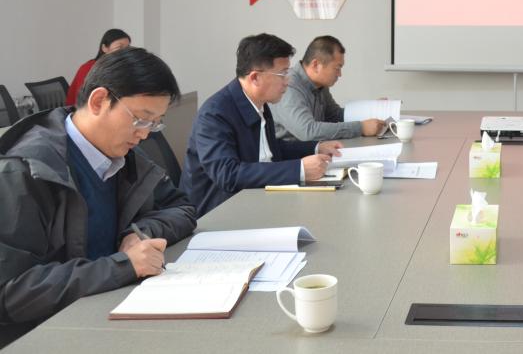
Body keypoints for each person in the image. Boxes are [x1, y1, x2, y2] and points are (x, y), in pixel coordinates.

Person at [0, 48, 196, 346]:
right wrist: (124, 265)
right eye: (141, 119)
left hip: (111, 308)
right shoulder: (25, 172)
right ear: (98, 101)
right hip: (49, 335)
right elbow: (11, 292)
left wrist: (138, 233)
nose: (145, 134)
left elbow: (181, 207)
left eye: (155, 123)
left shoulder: (124, 157)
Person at [181, 33, 344, 217]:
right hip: (219, 214)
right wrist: (299, 169)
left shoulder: (260, 103)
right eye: (283, 73)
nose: (288, 81)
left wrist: (316, 148)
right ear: (255, 78)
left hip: (255, 200)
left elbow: (271, 149)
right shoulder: (214, 114)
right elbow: (228, 174)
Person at [274, 36, 386, 141]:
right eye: (337, 68)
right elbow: (308, 131)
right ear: (316, 65)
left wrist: (372, 109)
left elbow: (335, 116)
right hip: (291, 153)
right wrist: (360, 128)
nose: (340, 74)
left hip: (317, 149)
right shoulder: (289, 85)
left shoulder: (320, 85)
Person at [66, 28, 132, 105]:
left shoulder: (119, 67)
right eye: (119, 47)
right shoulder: (89, 68)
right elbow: (84, 101)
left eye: (127, 48)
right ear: (104, 48)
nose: (125, 52)